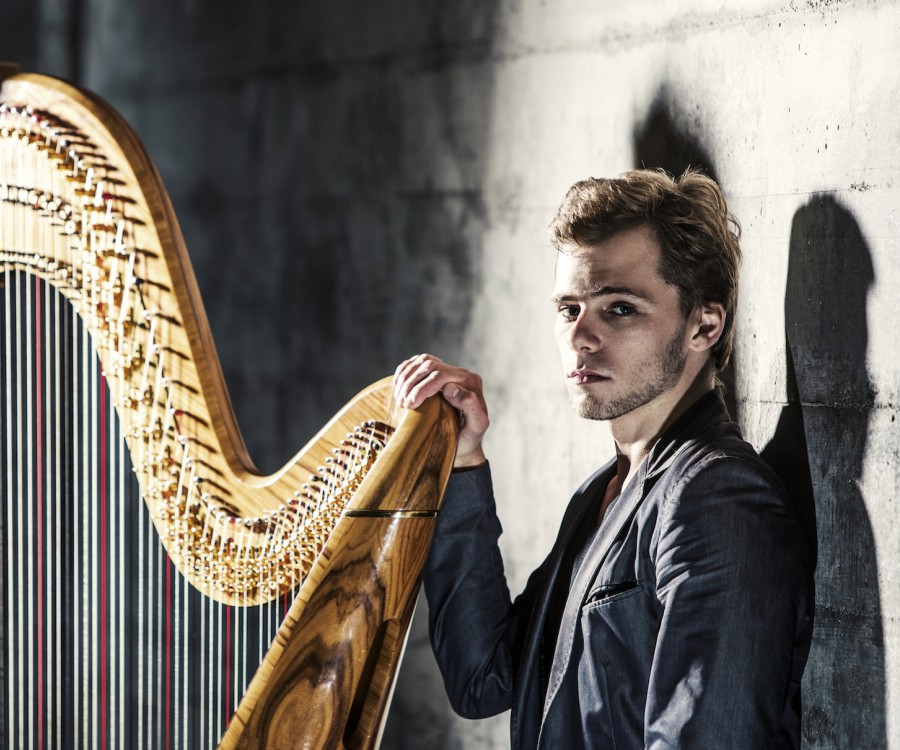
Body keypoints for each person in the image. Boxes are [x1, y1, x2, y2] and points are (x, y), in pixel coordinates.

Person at [392, 169, 814, 749]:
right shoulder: (603, 493)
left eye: (619, 309)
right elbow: (483, 680)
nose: (581, 336)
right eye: (569, 309)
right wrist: (463, 460)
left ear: (704, 324)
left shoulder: (718, 497)